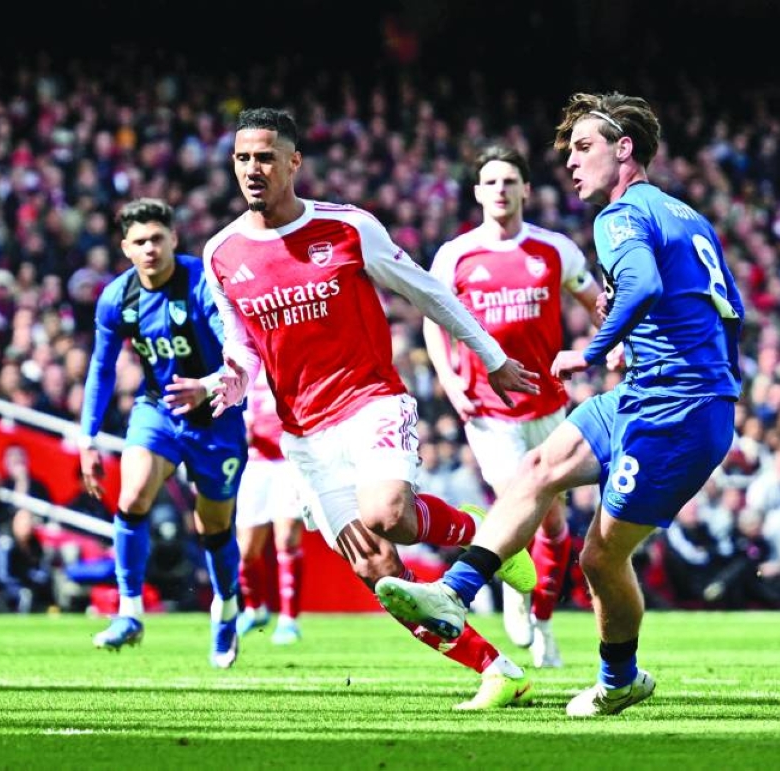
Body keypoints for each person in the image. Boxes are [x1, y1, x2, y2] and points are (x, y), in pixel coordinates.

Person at [374, 92, 745, 717]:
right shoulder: (683, 214)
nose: (570, 163)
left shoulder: (618, 215)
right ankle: (454, 593)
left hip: (677, 412)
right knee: (539, 469)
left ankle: (619, 679)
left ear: (624, 149)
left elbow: (646, 285)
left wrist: (594, 350)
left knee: (600, 557)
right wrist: (644, 347)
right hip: (647, 393)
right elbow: (720, 305)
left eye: (583, 147)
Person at [204, 107, 541, 709]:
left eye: (264, 157)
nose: (252, 169)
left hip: (370, 401)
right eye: (241, 158)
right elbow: (243, 348)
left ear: (293, 163)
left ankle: (487, 538)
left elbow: (428, 291)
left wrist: (489, 356)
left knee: (387, 512)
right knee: (382, 572)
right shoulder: (222, 253)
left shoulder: (349, 228)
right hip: (304, 435)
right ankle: (497, 668)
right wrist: (223, 382)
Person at [424, 145, 602, 668]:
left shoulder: (554, 250)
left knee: (553, 524)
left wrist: (611, 344)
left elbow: (594, 303)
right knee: (518, 501)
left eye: (509, 181)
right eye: (490, 182)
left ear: (526, 189)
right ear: (478, 193)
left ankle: (543, 618)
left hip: (548, 407)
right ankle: (512, 593)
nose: (500, 190)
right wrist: (450, 380)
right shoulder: (455, 255)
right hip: (488, 410)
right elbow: (435, 319)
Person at [79, 197, 248, 669]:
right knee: (131, 496)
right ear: (125, 248)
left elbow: (237, 351)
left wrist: (209, 385)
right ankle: (129, 610)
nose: (150, 248)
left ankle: (226, 606)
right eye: (140, 241)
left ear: (174, 238)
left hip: (217, 413)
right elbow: (101, 368)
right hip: (158, 410)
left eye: (157, 238)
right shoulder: (117, 298)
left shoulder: (201, 284)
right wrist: (87, 437)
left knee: (210, 525)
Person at [235, 365, 308, 645]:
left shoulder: (292, 357)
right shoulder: (244, 360)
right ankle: (255, 608)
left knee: (287, 537)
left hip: (289, 461)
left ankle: (289, 620)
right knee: (246, 550)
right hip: (255, 463)